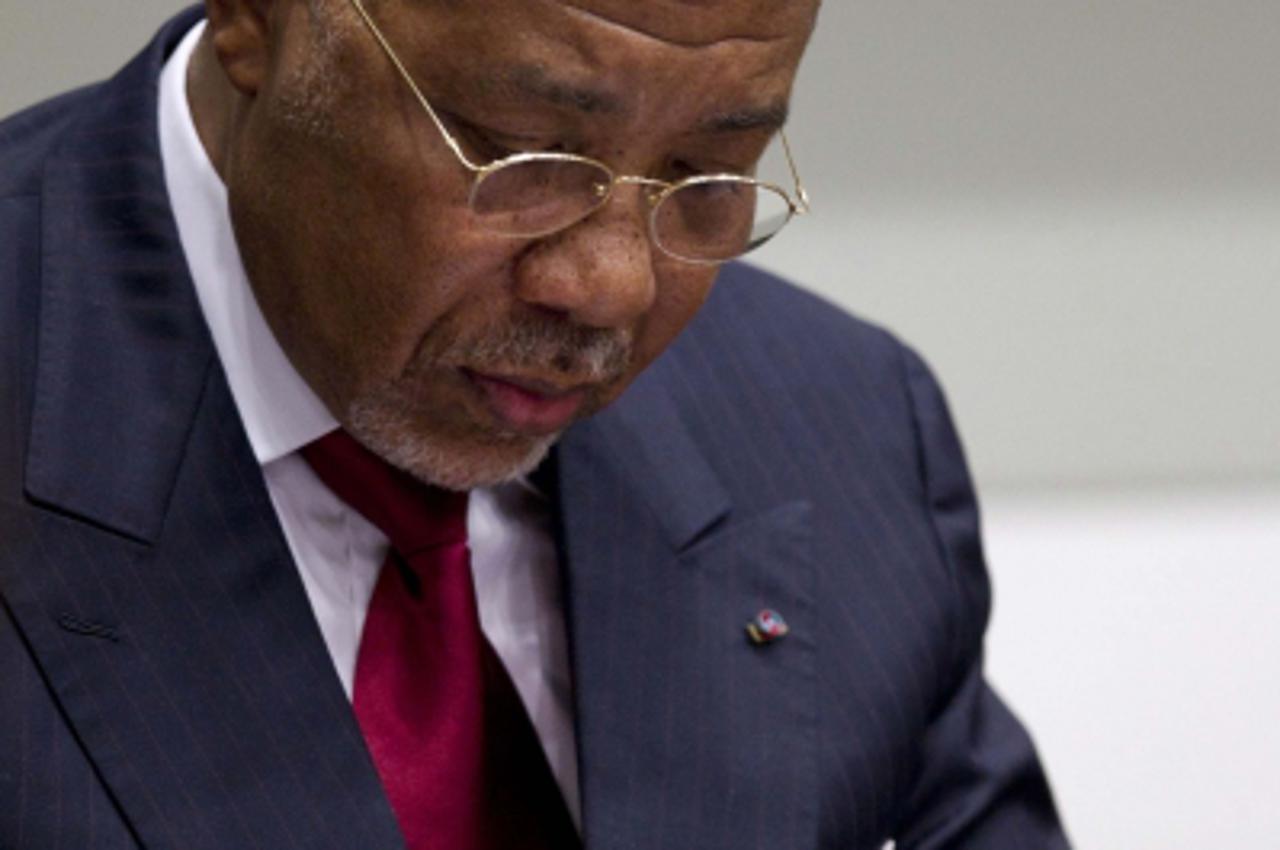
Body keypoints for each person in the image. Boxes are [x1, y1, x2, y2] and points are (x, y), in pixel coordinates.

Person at [0, 0, 1071, 848]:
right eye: (520, 154)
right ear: (258, 17)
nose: (608, 283)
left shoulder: (844, 427)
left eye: (707, 173)